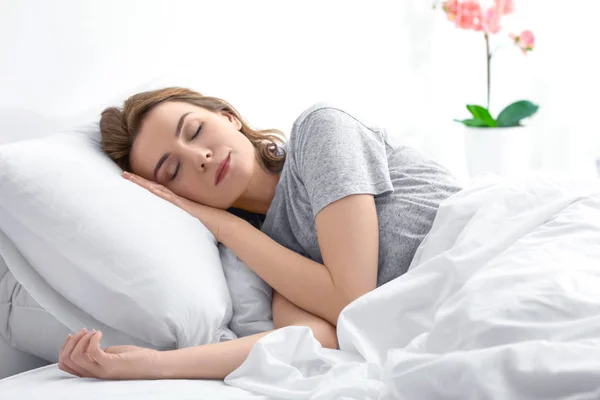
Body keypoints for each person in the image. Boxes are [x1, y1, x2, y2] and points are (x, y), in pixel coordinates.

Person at [57, 87, 462, 380]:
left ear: (227, 116)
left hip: (485, 247)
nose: (200, 158)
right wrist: (149, 365)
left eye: (195, 131)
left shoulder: (320, 130)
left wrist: (224, 223)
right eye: (173, 171)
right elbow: (317, 338)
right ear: (172, 196)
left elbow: (352, 299)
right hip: (448, 311)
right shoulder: (262, 252)